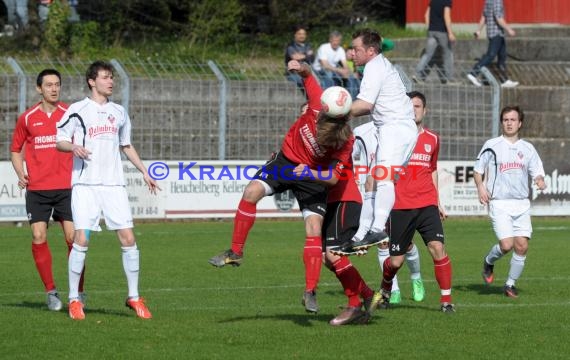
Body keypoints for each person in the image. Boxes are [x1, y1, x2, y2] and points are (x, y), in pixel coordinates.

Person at [208, 60, 354, 314]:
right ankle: (236, 251)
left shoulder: (345, 139)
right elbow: (309, 73)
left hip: (312, 177)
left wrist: (309, 171)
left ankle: (310, 291)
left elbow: (332, 178)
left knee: (313, 229)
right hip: (286, 162)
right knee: (251, 192)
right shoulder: (318, 101)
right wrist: (299, 65)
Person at [56, 60, 160, 320]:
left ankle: (134, 297)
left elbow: (126, 145)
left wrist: (144, 171)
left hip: (114, 185)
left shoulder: (119, 112)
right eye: (105, 77)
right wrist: (74, 148)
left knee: (128, 239)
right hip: (85, 185)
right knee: (82, 239)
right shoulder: (77, 109)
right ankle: (73, 299)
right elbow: (60, 141)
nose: (111, 81)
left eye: (112, 77)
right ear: (92, 81)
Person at [10, 68, 86, 311]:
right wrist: (20, 172)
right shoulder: (27, 118)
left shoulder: (71, 113)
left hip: (68, 188)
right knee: (38, 236)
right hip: (38, 189)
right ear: (39, 88)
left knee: (75, 240)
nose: (54, 89)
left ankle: (78, 293)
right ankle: (51, 291)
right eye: (49, 85)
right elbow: (15, 149)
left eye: (57, 84)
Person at [373, 91, 454, 313]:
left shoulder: (433, 139)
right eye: (410, 107)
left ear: (424, 110)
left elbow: (433, 169)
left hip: (427, 202)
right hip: (400, 206)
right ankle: (386, 287)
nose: (413, 110)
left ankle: (446, 301)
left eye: (417, 106)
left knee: (438, 248)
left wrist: (438, 201)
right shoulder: (392, 139)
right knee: (396, 262)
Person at [341, 28, 418, 251]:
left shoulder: (374, 67)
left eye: (356, 49)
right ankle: (360, 237)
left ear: (371, 51)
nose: (352, 54)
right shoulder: (377, 65)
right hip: (391, 128)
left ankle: (377, 229)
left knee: (382, 180)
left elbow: (365, 105)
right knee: (374, 183)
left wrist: (335, 113)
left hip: (395, 128)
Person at [350, 120, 426, 305]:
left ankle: (416, 276)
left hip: (397, 194)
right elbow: (351, 156)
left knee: (405, 245)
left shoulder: (401, 130)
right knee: (382, 243)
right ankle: (394, 290)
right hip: (373, 196)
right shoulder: (361, 131)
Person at [474, 105, 546, 298]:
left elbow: (537, 170)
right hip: (500, 203)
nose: (509, 123)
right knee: (507, 245)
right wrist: (481, 187)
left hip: (521, 203)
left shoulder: (527, 148)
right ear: (502, 122)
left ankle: (510, 285)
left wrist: (539, 179)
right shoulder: (492, 144)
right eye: (506, 119)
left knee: (522, 245)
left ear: (520, 123)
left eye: (513, 119)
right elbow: (478, 170)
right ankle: (488, 261)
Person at [466, 0, 519, 88]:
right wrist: (509, 29)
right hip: (496, 33)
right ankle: (473, 73)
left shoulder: (488, 1)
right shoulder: (497, 1)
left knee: (502, 56)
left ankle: (504, 80)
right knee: (491, 55)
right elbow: (499, 18)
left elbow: (484, 16)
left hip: (493, 33)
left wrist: (479, 30)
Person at [413, 0, 456, 84]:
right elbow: (446, 16)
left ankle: (416, 74)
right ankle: (449, 79)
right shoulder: (447, 1)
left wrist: (430, 27)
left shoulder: (433, 1)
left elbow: (426, 15)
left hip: (431, 31)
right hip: (442, 32)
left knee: (427, 54)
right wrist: (450, 33)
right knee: (448, 54)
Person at [312, 30, 359, 99]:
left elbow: (345, 65)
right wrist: (340, 71)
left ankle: (353, 99)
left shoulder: (340, 50)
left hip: (333, 70)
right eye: (334, 40)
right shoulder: (323, 47)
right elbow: (325, 65)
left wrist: (349, 72)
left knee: (351, 77)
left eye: (338, 41)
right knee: (329, 75)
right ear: (330, 40)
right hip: (319, 70)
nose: (336, 43)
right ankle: (326, 99)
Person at [284, 25, 314, 96]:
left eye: (303, 34)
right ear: (295, 35)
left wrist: (302, 56)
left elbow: (312, 57)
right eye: (299, 34)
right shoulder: (291, 46)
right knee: (304, 81)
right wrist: (307, 55)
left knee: (320, 82)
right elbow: (295, 57)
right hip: (294, 73)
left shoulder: (308, 45)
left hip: (308, 71)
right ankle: (310, 101)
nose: (302, 36)